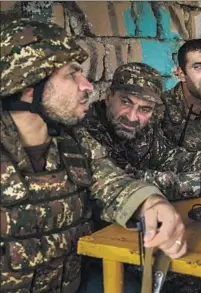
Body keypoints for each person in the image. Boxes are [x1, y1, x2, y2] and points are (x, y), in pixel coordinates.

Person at [0, 19, 186, 293]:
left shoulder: (72, 139)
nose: (87, 86)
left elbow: (113, 184)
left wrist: (152, 203)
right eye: (72, 74)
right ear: (30, 85)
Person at [83, 62, 201, 201]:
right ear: (108, 97)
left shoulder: (142, 127)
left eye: (144, 109)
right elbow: (126, 182)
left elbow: (172, 157)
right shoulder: (88, 132)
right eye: (126, 102)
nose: (132, 117)